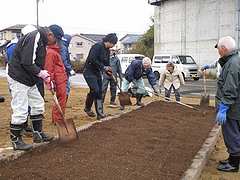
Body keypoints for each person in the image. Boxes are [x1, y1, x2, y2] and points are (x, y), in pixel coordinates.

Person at [7, 26, 56, 151]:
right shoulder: (35, 36)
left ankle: (38, 134)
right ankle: (16, 141)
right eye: (55, 39)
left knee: (38, 104)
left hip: (29, 78)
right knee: (21, 109)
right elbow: (27, 62)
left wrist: (44, 77)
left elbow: (36, 63)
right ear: (49, 34)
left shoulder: (42, 42)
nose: (55, 43)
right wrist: (41, 73)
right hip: (19, 77)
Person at [214, 36, 240, 172]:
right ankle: (232, 158)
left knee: (232, 134)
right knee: (233, 133)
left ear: (224, 49)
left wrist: (223, 108)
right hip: (234, 106)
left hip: (232, 108)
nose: (218, 52)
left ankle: (234, 164)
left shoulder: (232, 64)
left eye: (219, 49)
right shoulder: (233, 61)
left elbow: (230, 89)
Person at [6, 25, 37, 136]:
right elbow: (16, 65)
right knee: (20, 103)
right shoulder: (13, 46)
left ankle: (25, 125)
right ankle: (19, 129)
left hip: (26, 78)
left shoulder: (27, 44)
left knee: (29, 103)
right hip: (17, 78)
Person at [83, 33, 117, 120]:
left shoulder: (107, 50)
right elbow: (92, 59)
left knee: (99, 92)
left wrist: (109, 69)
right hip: (89, 70)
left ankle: (100, 113)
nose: (113, 45)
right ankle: (87, 108)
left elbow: (106, 61)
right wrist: (103, 67)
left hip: (97, 72)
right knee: (95, 90)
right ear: (108, 41)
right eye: (113, 43)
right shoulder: (97, 46)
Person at [45, 25, 67, 124]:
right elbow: (49, 69)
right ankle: (58, 120)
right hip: (58, 80)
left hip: (61, 79)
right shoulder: (50, 53)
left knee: (62, 99)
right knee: (60, 100)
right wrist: (51, 83)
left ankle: (59, 118)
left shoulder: (55, 51)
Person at [60, 34, 76, 108]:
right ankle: (63, 103)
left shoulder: (61, 45)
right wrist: (69, 69)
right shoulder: (63, 48)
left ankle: (62, 102)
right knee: (66, 87)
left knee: (63, 87)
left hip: (62, 70)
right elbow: (64, 60)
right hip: (64, 71)